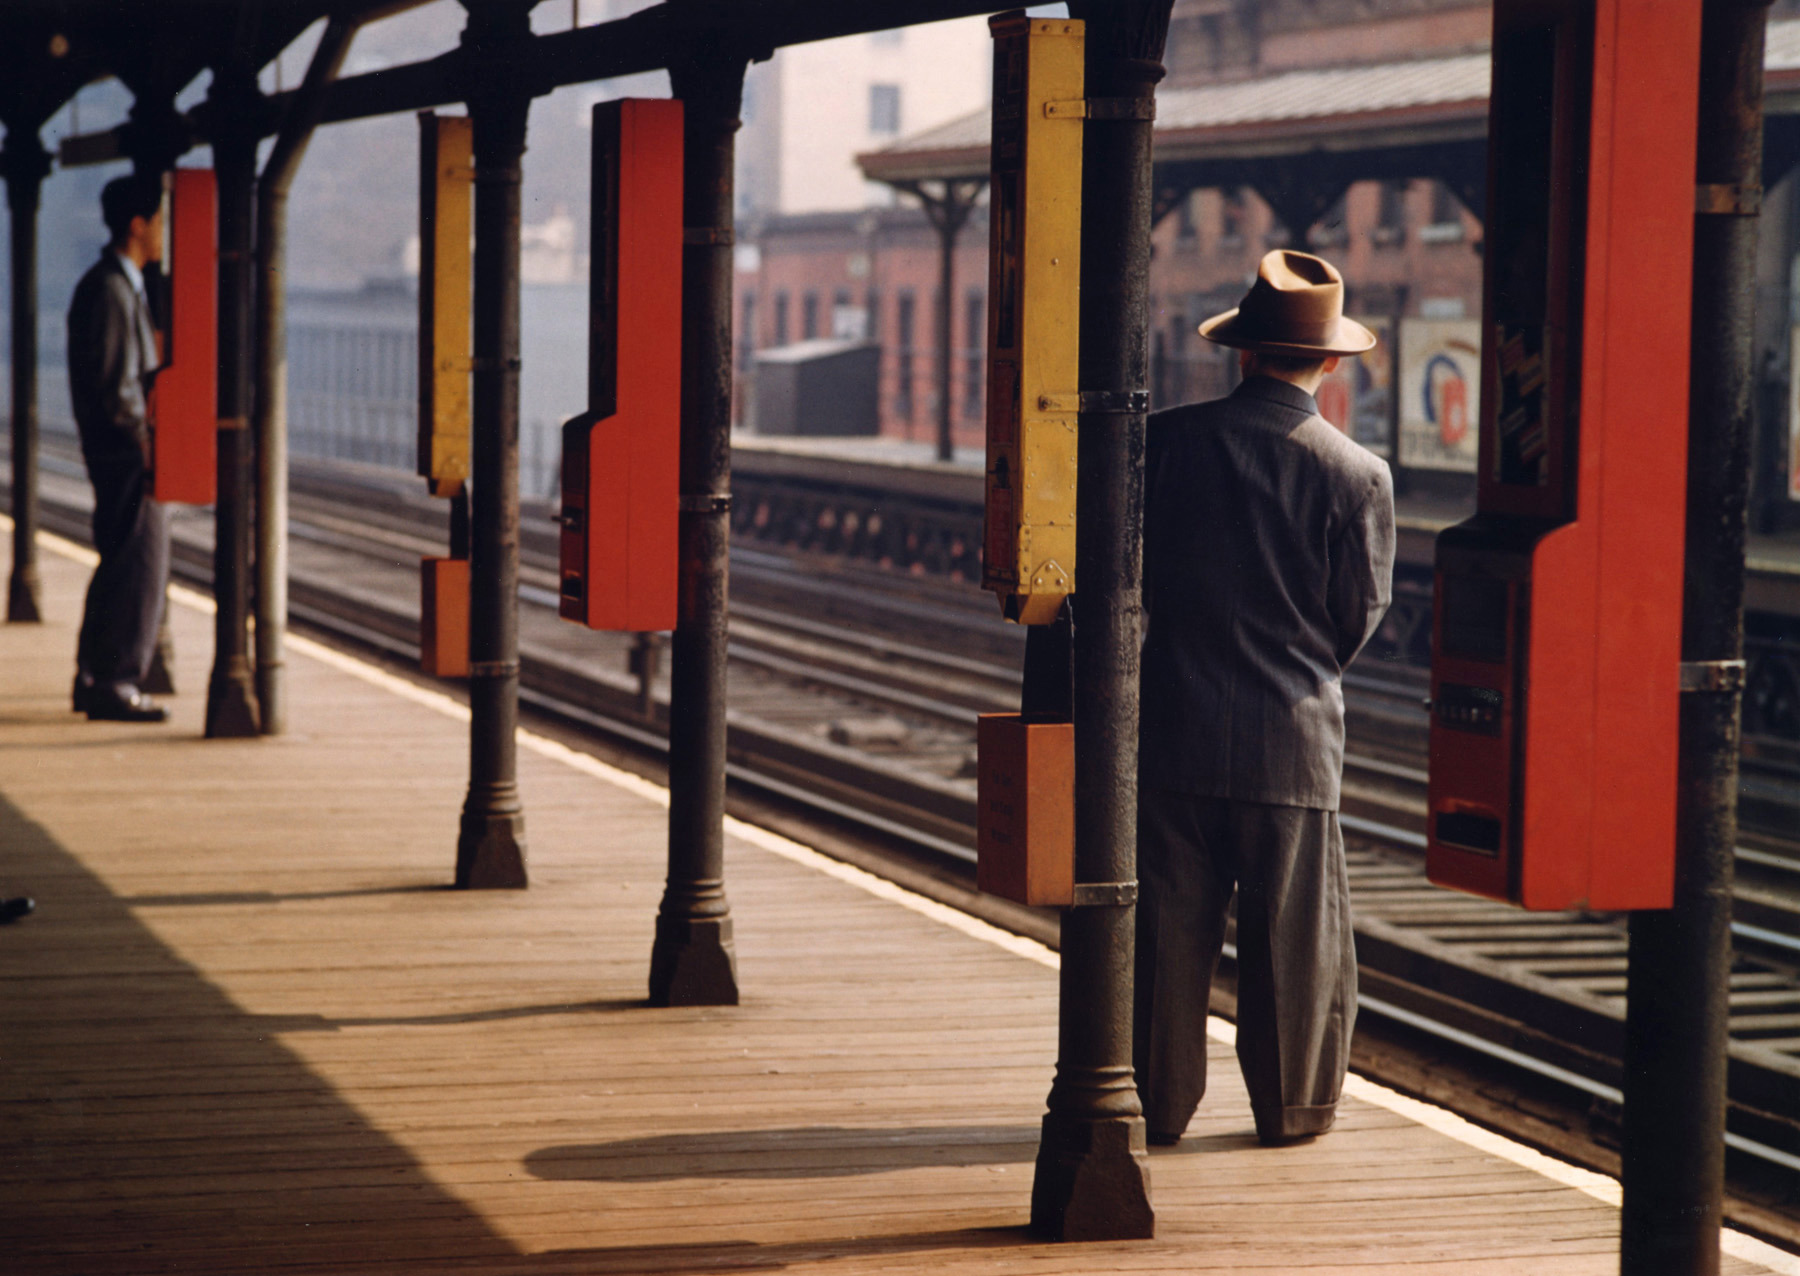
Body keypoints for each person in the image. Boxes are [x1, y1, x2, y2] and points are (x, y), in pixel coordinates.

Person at [1134, 249, 1395, 1147]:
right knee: (1295, 944)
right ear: (1330, 362)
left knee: (1165, 939)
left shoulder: (1164, 444)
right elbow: (1356, 615)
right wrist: (1293, 670)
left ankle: (1155, 1106)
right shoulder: (1357, 474)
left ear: (1242, 352)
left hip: (1173, 727)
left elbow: (1129, 576)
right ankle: (1290, 1111)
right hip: (1292, 741)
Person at [67, 174, 171, 723]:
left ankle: (94, 676)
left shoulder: (112, 284)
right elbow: (118, 386)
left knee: (118, 558)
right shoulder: (111, 290)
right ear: (138, 225)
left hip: (117, 448)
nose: (163, 232)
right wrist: (146, 441)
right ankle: (116, 681)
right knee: (138, 561)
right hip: (127, 451)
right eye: (159, 221)